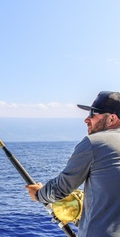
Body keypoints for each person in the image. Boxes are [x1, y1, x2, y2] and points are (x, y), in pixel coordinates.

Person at [26, 91, 120, 237]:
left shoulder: (95, 142)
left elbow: (59, 189)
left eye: (92, 114)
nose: (86, 119)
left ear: (112, 119)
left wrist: (38, 194)